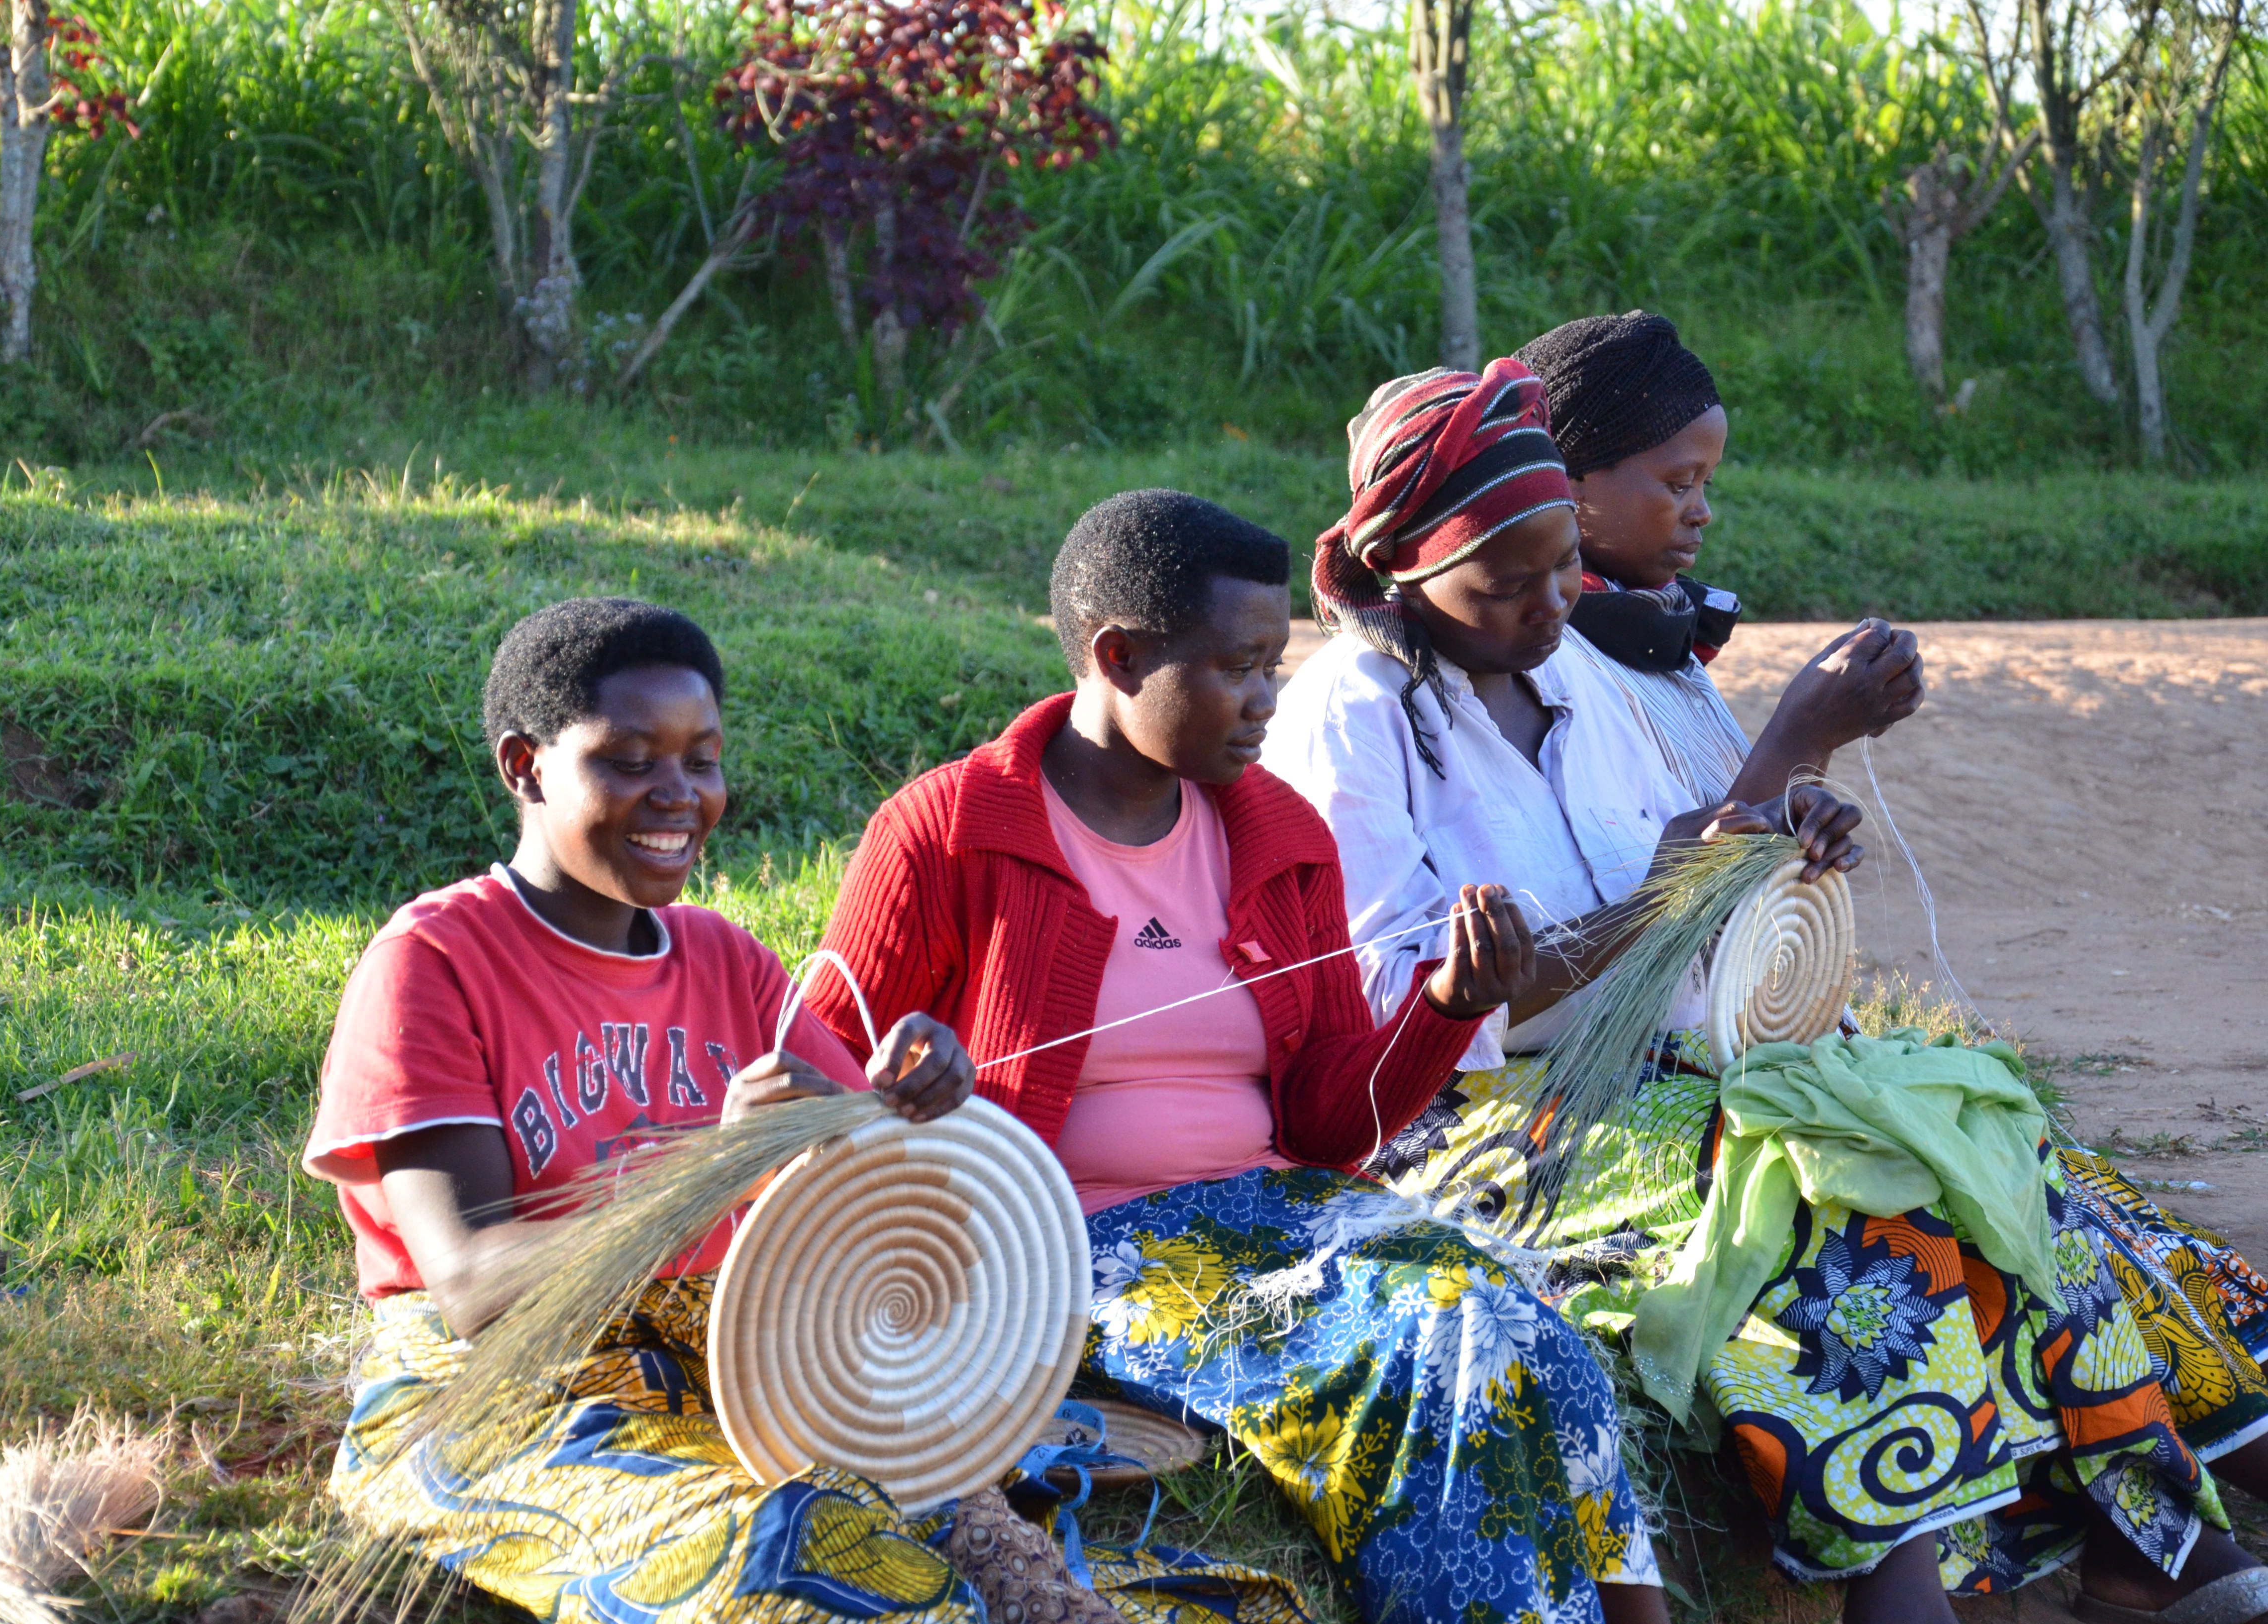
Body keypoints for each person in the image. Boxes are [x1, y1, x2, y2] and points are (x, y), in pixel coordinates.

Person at [1262, 360, 2268, 1624]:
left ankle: (2148, 1538)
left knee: (1975, 1133)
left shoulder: (1569, 671)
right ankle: (1899, 1591)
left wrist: (1769, 829)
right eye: (1505, 584)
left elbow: (1674, 854)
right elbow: (1405, 1008)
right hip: (1478, 1121)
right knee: (1807, 1175)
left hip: (1656, 1069)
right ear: (1400, 565)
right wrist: (1666, 889)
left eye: (1563, 567)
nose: (1550, 605)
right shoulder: (1350, 712)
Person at [809, 488, 1677, 1624]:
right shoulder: (955, 831)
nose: (1270, 700)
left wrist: (1448, 1003)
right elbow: (812, 1061)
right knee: (1436, 1354)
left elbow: (1326, 1121)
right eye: (1240, 669)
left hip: (1284, 1215)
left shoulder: (1278, 834)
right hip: (1067, 1259)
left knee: (1534, 1341)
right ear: (1119, 657)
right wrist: (899, 1084)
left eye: (1276, 663)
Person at [302, 598, 1108, 1624]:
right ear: (526, 764)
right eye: (630, 760)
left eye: (702, 759)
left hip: (733, 1373)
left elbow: (862, 1170)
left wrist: (918, 1094)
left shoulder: (727, 961)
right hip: (507, 1397)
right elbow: (470, 1284)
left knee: (996, 1556)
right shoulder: (436, 963)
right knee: (795, 1555)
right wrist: (705, 1169)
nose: (676, 795)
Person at [1512, 309, 1923, 806]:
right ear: (1567, 486)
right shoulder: (1541, 663)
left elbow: (1718, 830)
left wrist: (1805, 804)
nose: (1702, 512)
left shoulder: (1649, 631)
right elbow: (1667, 880)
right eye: (1680, 485)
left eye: (1706, 484)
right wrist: (1805, 732)